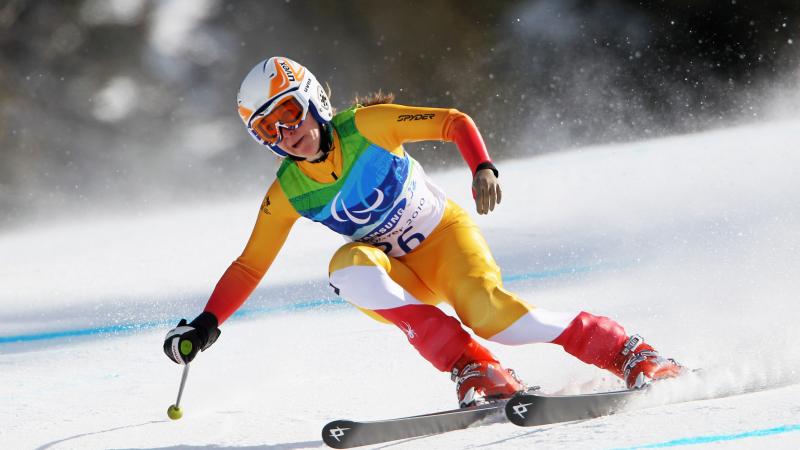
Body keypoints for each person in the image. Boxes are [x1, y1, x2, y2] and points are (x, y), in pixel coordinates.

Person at [163, 56, 683, 408]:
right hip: (398, 271)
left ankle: (629, 352)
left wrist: (482, 167)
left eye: (290, 113)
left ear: (315, 100)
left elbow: (453, 121)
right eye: (267, 130)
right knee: (346, 270)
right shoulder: (289, 190)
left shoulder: (368, 125)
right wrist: (206, 324)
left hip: (445, 242)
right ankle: (474, 368)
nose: (287, 133)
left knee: (492, 317)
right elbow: (250, 264)